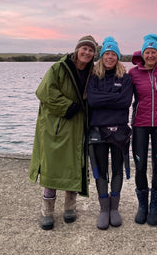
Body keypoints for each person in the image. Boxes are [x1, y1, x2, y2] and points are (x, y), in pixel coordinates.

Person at [29, 35, 98, 230]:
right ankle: (47, 211)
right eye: (84, 48)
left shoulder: (93, 71)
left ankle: (70, 207)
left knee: (74, 165)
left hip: (79, 127)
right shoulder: (59, 68)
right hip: (58, 124)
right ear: (77, 49)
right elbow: (44, 92)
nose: (86, 52)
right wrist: (68, 107)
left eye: (91, 50)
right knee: (52, 167)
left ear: (94, 54)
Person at [128, 33, 157, 226]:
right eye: (147, 52)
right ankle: (142, 206)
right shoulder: (132, 74)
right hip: (140, 123)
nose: (150, 55)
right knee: (139, 165)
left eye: (154, 52)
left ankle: (154, 206)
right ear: (142, 53)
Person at [87, 36, 133, 230]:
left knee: (117, 169)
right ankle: (104, 209)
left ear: (118, 57)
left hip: (119, 131)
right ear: (102, 55)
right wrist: (113, 96)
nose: (110, 57)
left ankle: (115, 208)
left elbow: (125, 102)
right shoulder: (93, 77)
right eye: (107, 53)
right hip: (97, 131)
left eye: (113, 54)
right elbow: (92, 100)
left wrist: (105, 99)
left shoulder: (126, 77)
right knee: (101, 171)